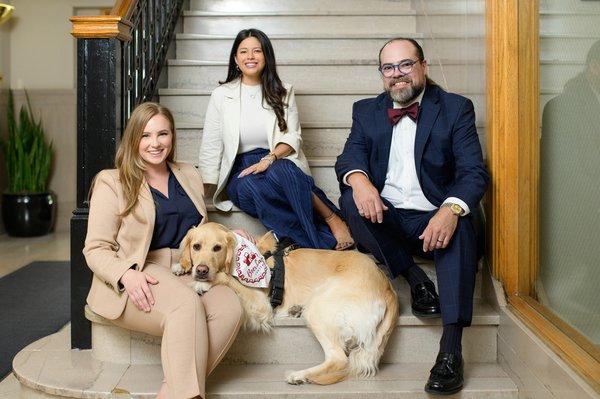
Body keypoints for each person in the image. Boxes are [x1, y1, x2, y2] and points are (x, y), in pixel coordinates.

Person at [335, 38, 489, 395]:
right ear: (382, 75)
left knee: (462, 223)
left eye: (405, 65)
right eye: (388, 68)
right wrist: (360, 182)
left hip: (435, 217)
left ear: (423, 66)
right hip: (388, 216)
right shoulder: (366, 110)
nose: (397, 75)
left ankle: (451, 351)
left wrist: (450, 209)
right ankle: (414, 277)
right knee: (348, 199)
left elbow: (473, 173)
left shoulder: (455, 108)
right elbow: (348, 158)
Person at [84, 102, 244, 399]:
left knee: (230, 306)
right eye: (145, 135)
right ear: (133, 139)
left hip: (186, 265)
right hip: (141, 268)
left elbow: (200, 232)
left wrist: (231, 236)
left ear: (172, 137)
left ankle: (171, 392)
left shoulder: (188, 174)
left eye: (163, 134)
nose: (155, 143)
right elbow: (95, 249)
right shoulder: (112, 181)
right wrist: (126, 275)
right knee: (186, 305)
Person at [198, 28, 354, 250]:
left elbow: (293, 136)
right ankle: (323, 237)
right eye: (243, 52)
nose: (250, 57)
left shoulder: (283, 91)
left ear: (266, 56)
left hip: (276, 159)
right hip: (240, 169)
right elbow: (211, 143)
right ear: (235, 58)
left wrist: (269, 159)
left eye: (256, 51)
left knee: (285, 172)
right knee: (256, 188)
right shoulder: (221, 95)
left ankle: (328, 224)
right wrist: (205, 189)